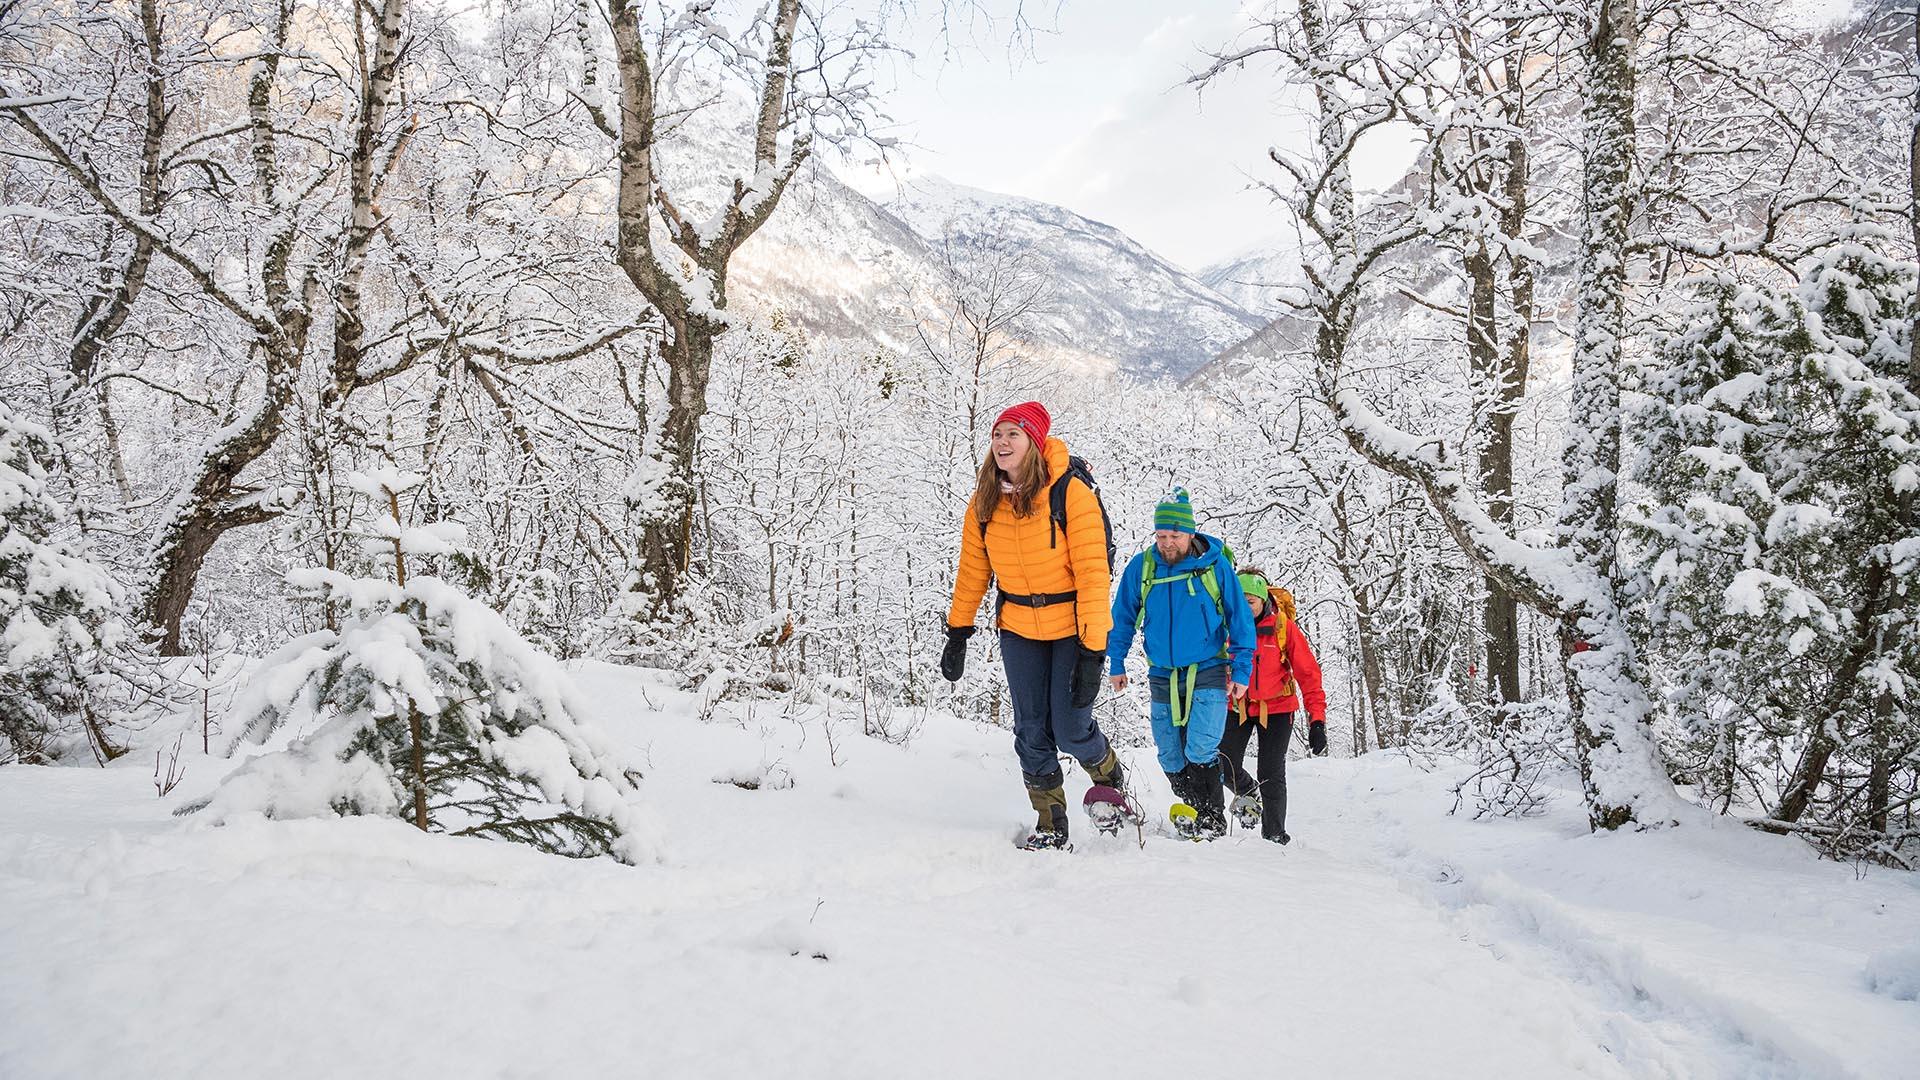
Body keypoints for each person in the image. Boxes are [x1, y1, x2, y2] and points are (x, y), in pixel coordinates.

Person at [942, 401, 1127, 849]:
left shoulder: (1070, 493)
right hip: (1019, 626)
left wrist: (1092, 650)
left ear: (1035, 443)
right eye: (998, 435)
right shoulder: (985, 499)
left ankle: (1106, 771)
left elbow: (1091, 573)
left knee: (1070, 727)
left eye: (1014, 434)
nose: (1003, 443)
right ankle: (1050, 820)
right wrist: (958, 631)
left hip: (1071, 627)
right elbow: (973, 570)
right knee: (1030, 729)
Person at [1106, 489, 1255, 839]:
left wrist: (1242, 669)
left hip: (1209, 667)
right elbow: (1123, 616)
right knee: (1170, 755)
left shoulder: (1214, 567)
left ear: (1190, 533)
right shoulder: (1143, 568)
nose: (1167, 544)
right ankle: (1192, 806)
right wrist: (1117, 661)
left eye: (1174, 536)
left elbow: (1240, 620)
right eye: (1161, 536)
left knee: (1201, 746)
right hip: (1162, 672)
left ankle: (1212, 818)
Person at [1216, 570, 1328, 844]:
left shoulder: (1282, 627)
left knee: (1271, 771)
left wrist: (1317, 720)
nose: (1244, 608)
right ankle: (1248, 790)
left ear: (1263, 600)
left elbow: (1308, 673)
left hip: (1278, 708)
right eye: (1239, 601)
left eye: (1251, 602)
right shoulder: (1225, 627)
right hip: (1237, 705)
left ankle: (1275, 834)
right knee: (1222, 762)